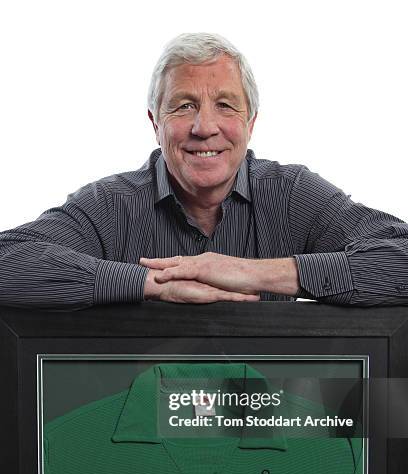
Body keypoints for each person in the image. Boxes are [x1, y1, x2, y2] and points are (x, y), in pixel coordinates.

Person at [1, 32, 408, 308]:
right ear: (154, 123)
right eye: (183, 106)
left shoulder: (294, 196)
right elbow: (8, 261)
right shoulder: (109, 206)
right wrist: (150, 284)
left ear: (250, 123)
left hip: (267, 422)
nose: (204, 127)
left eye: (226, 106)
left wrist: (253, 273)